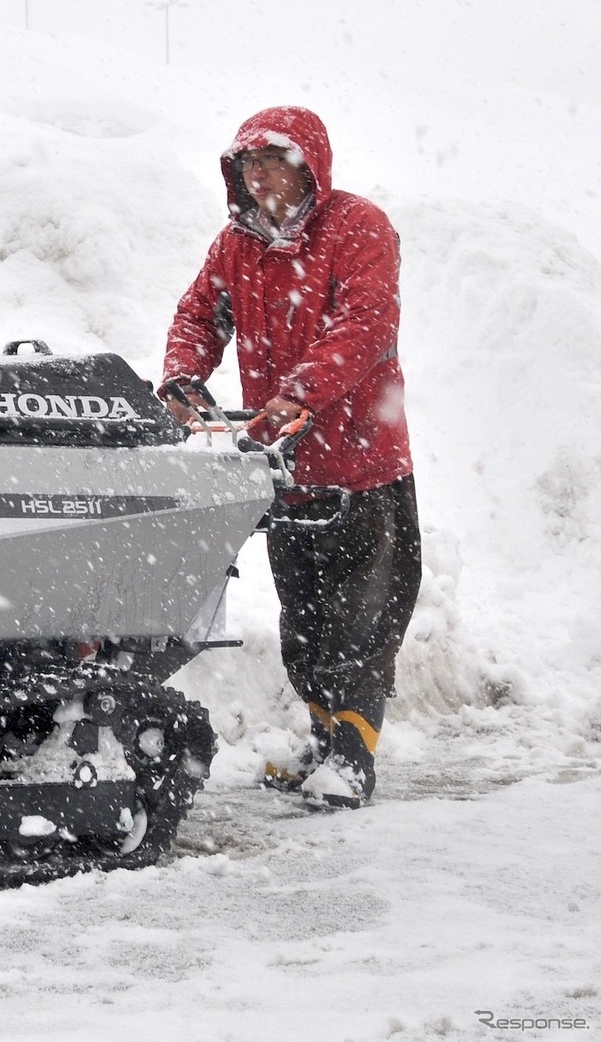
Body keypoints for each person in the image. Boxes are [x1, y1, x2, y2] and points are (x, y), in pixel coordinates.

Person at [161, 106, 420, 809]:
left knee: (363, 617)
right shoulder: (235, 247)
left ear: (308, 165)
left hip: (363, 464)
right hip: (285, 464)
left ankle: (353, 756)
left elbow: (363, 325)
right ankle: (324, 736)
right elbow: (196, 316)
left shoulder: (357, 227)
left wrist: (301, 391)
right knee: (304, 616)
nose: (256, 174)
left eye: (271, 160)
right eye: (245, 164)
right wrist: (183, 377)